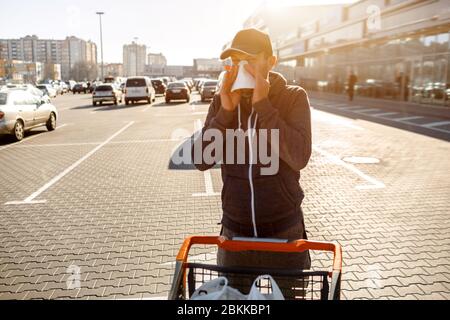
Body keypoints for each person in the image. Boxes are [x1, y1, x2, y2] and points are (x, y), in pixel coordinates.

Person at [191, 28, 312, 299]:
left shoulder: (292, 97)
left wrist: (264, 105)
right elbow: (200, 160)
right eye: (236, 61)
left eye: (250, 60)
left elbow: (299, 156)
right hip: (236, 235)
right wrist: (225, 112)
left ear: (271, 62)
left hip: (284, 232)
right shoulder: (223, 102)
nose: (242, 68)